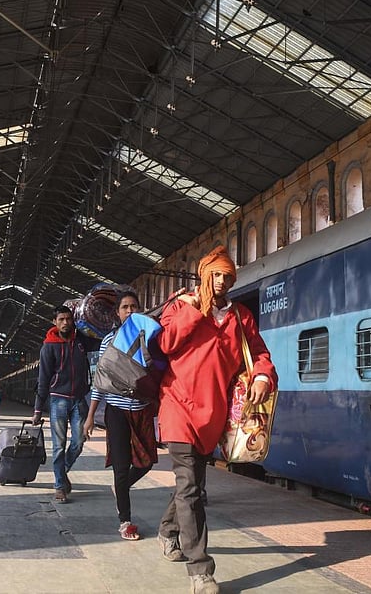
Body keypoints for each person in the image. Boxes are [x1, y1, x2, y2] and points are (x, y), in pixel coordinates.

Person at [156, 246, 277, 594]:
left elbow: (260, 355)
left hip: (214, 415)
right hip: (177, 405)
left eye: (227, 276)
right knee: (191, 487)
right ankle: (201, 572)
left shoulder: (240, 317)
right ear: (203, 275)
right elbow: (166, 342)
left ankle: (167, 530)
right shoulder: (181, 306)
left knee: (190, 486)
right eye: (216, 275)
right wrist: (194, 310)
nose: (222, 281)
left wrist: (262, 377)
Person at [83, 289, 158, 541]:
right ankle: (125, 521)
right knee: (121, 466)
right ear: (117, 313)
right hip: (116, 411)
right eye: (125, 307)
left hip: (142, 410)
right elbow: (100, 382)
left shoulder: (151, 338)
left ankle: (120, 487)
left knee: (146, 462)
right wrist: (91, 415)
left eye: (134, 306)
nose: (130, 311)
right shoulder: (109, 341)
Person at [32, 305, 92, 504]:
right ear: (55, 322)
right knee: (58, 446)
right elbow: (43, 378)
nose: (65, 322)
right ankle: (59, 487)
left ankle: (62, 473)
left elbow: (99, 340)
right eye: (61, 319)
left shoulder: (81, 340)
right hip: (57, 399)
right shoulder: (49, 347)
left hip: (79, 400)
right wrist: (38, 409)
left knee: (79, 441)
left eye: (68, 319)